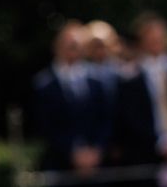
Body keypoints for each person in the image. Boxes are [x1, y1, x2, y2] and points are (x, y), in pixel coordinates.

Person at [114, 13, 167, 185]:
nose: (156, 41)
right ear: (142, 40)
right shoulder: (130, 77)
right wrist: (160, 142)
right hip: (146, 156)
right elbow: (131, 117)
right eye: (151, 37)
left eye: (160, 37)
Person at [30, 21, 112, 179]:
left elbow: (106, 118)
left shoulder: (97, 80)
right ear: (57, 47)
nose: (74, 50)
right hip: (60, 165)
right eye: (70, 46)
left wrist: (96, 150)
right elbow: (44, 125)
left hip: (96, 166)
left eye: (78, 45)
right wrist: (72, 153)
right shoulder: (43, 84)